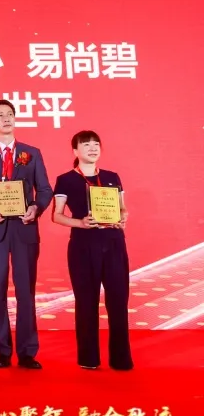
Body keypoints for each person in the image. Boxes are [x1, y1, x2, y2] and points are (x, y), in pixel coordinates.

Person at [0, 99, 53, 369]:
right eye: (0, 115)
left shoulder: (31, 153)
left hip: (24, 229)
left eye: (10, 114)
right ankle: (1, 350)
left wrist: (36, 208)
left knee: (26, 290)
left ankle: (27, 351)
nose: (6, 118)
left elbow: (45, 189)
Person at [51, 130, 132, 371]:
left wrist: (123, 216)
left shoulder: (111, 177)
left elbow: (123, 208)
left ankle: (120, 359)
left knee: (118, 300)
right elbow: (57, 215)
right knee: (86, 302)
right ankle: (88, 358)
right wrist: (80, 222)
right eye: (86, 145)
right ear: (75, 151)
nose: (93, 148)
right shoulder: (65, 179)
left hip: (114, 243)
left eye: (96, 144)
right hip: (83, 246)